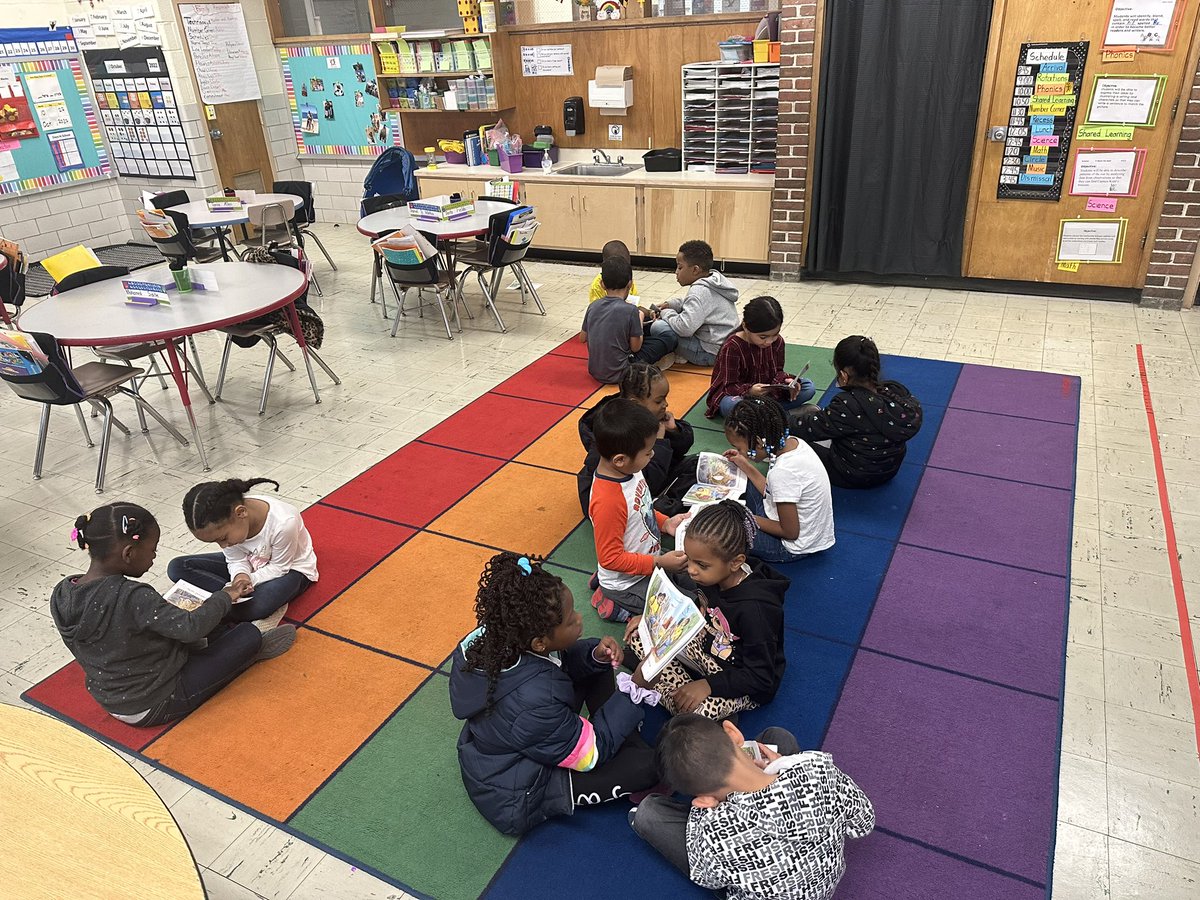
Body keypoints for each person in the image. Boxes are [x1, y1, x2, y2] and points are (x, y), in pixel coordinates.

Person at [449, 551, 664, 835]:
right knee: (650, 767)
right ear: (539, 642)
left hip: (521, 739)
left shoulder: (500, 636)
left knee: (594, 663)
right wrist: (635, 688)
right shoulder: (533, 700)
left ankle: (622, 738)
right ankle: (625, 744)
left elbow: (559, 662)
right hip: (521, 791)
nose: (579, 618)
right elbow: (590, 756)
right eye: (571, 620)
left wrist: (595, 656)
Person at [51, 502, 296, 727]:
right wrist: (226, 595)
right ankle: (246, 657)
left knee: (213, 627)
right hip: (158, 701)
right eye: (152, 551)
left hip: (112, 695)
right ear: (128, 554)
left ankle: (225, 652)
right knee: (247, 634)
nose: (154, 557)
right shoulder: (132, 596)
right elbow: (191, 628)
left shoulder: (63, 592)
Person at [631, 714, 874, 900]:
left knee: (648, 813)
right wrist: (790, 766)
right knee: (778, 737)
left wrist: (705, 812)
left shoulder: (715, 834)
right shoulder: (819, 770)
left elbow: (708, 878)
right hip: (822, 883)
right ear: (733, 733)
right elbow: (864, 823)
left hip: (749, 871)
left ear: (702, 799)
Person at [625, 500, 789, 720]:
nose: (691, 570)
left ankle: (672, 691)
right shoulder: (714, 575)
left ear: (735, 562)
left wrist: (707, 686)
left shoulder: (756, 610)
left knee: (692, 714)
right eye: (689, 559)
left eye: (701, 565)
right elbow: (698, 611)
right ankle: (673, 685)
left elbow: (760, 676)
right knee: (638, 636)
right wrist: (650, 622)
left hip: (742, 675)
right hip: (708, 648)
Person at [168, 477, 318, 631]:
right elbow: (235, 559)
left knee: (258, 606)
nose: (223, 545)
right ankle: (226, 600)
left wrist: (246, 580)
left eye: (223, 538)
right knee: (177, 567)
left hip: (290, 569)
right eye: (216, 542)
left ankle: (219, 603)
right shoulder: (232, 523)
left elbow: (279, 568)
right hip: (252, 562)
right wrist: (239, 576)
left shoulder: (284, 523)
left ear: (241, 512)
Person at [587, 398, 688, 622]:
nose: (652, 455)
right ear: (620, 460)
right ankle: (613, 603)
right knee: (678, 610)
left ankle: (604, 584)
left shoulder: (629, 471)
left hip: (645, 563)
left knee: (692, 579)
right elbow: (610, 559)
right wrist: (658, 563)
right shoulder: (608, 502)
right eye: (648, 452)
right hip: (627, 584)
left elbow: (642, 509)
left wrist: (665, 523)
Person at [790, 335, 923, 488]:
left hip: (850, 474)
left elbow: (806, 428)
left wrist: (777, 419)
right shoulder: (895, 391)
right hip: (889, 470)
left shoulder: (847, 404)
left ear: (844, 375)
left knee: (795, 445)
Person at [577, 362, 696, 516]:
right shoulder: (617, 432)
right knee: (660, 509)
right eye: (659, 401)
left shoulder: (647, 415)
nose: (665, 404)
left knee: (696, 464)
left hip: (648, 478)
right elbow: (648, 482)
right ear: (635, 403)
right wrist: (659, 441)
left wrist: (674, 430)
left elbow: (681, 448)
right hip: (624, 493)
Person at [724, 397, 834, 563]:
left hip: (790, 546)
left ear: (759, 443)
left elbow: (790, 532)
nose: (739, 451)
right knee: (741, 481)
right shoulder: (794, 443)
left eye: (740, 448)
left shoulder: (783, 472)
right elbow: (772, 490)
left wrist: (746, 517)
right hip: (796, 526)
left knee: (724, 532)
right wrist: (744, 464)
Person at [707, 295, 815, 419]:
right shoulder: (733, 347)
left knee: (808, 387)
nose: (769, 341)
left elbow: (777, 372)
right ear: (746, 327)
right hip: (739, 396)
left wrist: (787, 382)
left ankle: (764, 415)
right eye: (763, 337)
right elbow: (729, 386)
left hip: (767, 395)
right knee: (734, 405)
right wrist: (749, 391)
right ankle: (783, 415)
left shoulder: (778, 342)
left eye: (775, 334)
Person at [643, 239, 739, 367]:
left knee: (658, 327)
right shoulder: (714, 281)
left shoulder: (698, 292)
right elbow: (696, 304)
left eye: (680, 267)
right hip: (723, 348)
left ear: (695, 270)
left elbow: (684, 328)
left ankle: (680, 354)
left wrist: (666, 312)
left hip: (709, 353)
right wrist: (671, 304)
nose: (676, 272)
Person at [580, 255, 674, 383]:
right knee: (669, 338)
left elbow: (582, 338)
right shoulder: (631, 311)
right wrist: (640, 318)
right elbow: (636, 347)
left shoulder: (593, 306)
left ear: (602, 284)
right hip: (623, 373)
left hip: (595, 371)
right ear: (630, 284)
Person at [587, 239, 639, 303]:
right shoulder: (597, 286)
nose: (623, 271)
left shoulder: (627, 277)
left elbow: (635, 301)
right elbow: (596, 308)